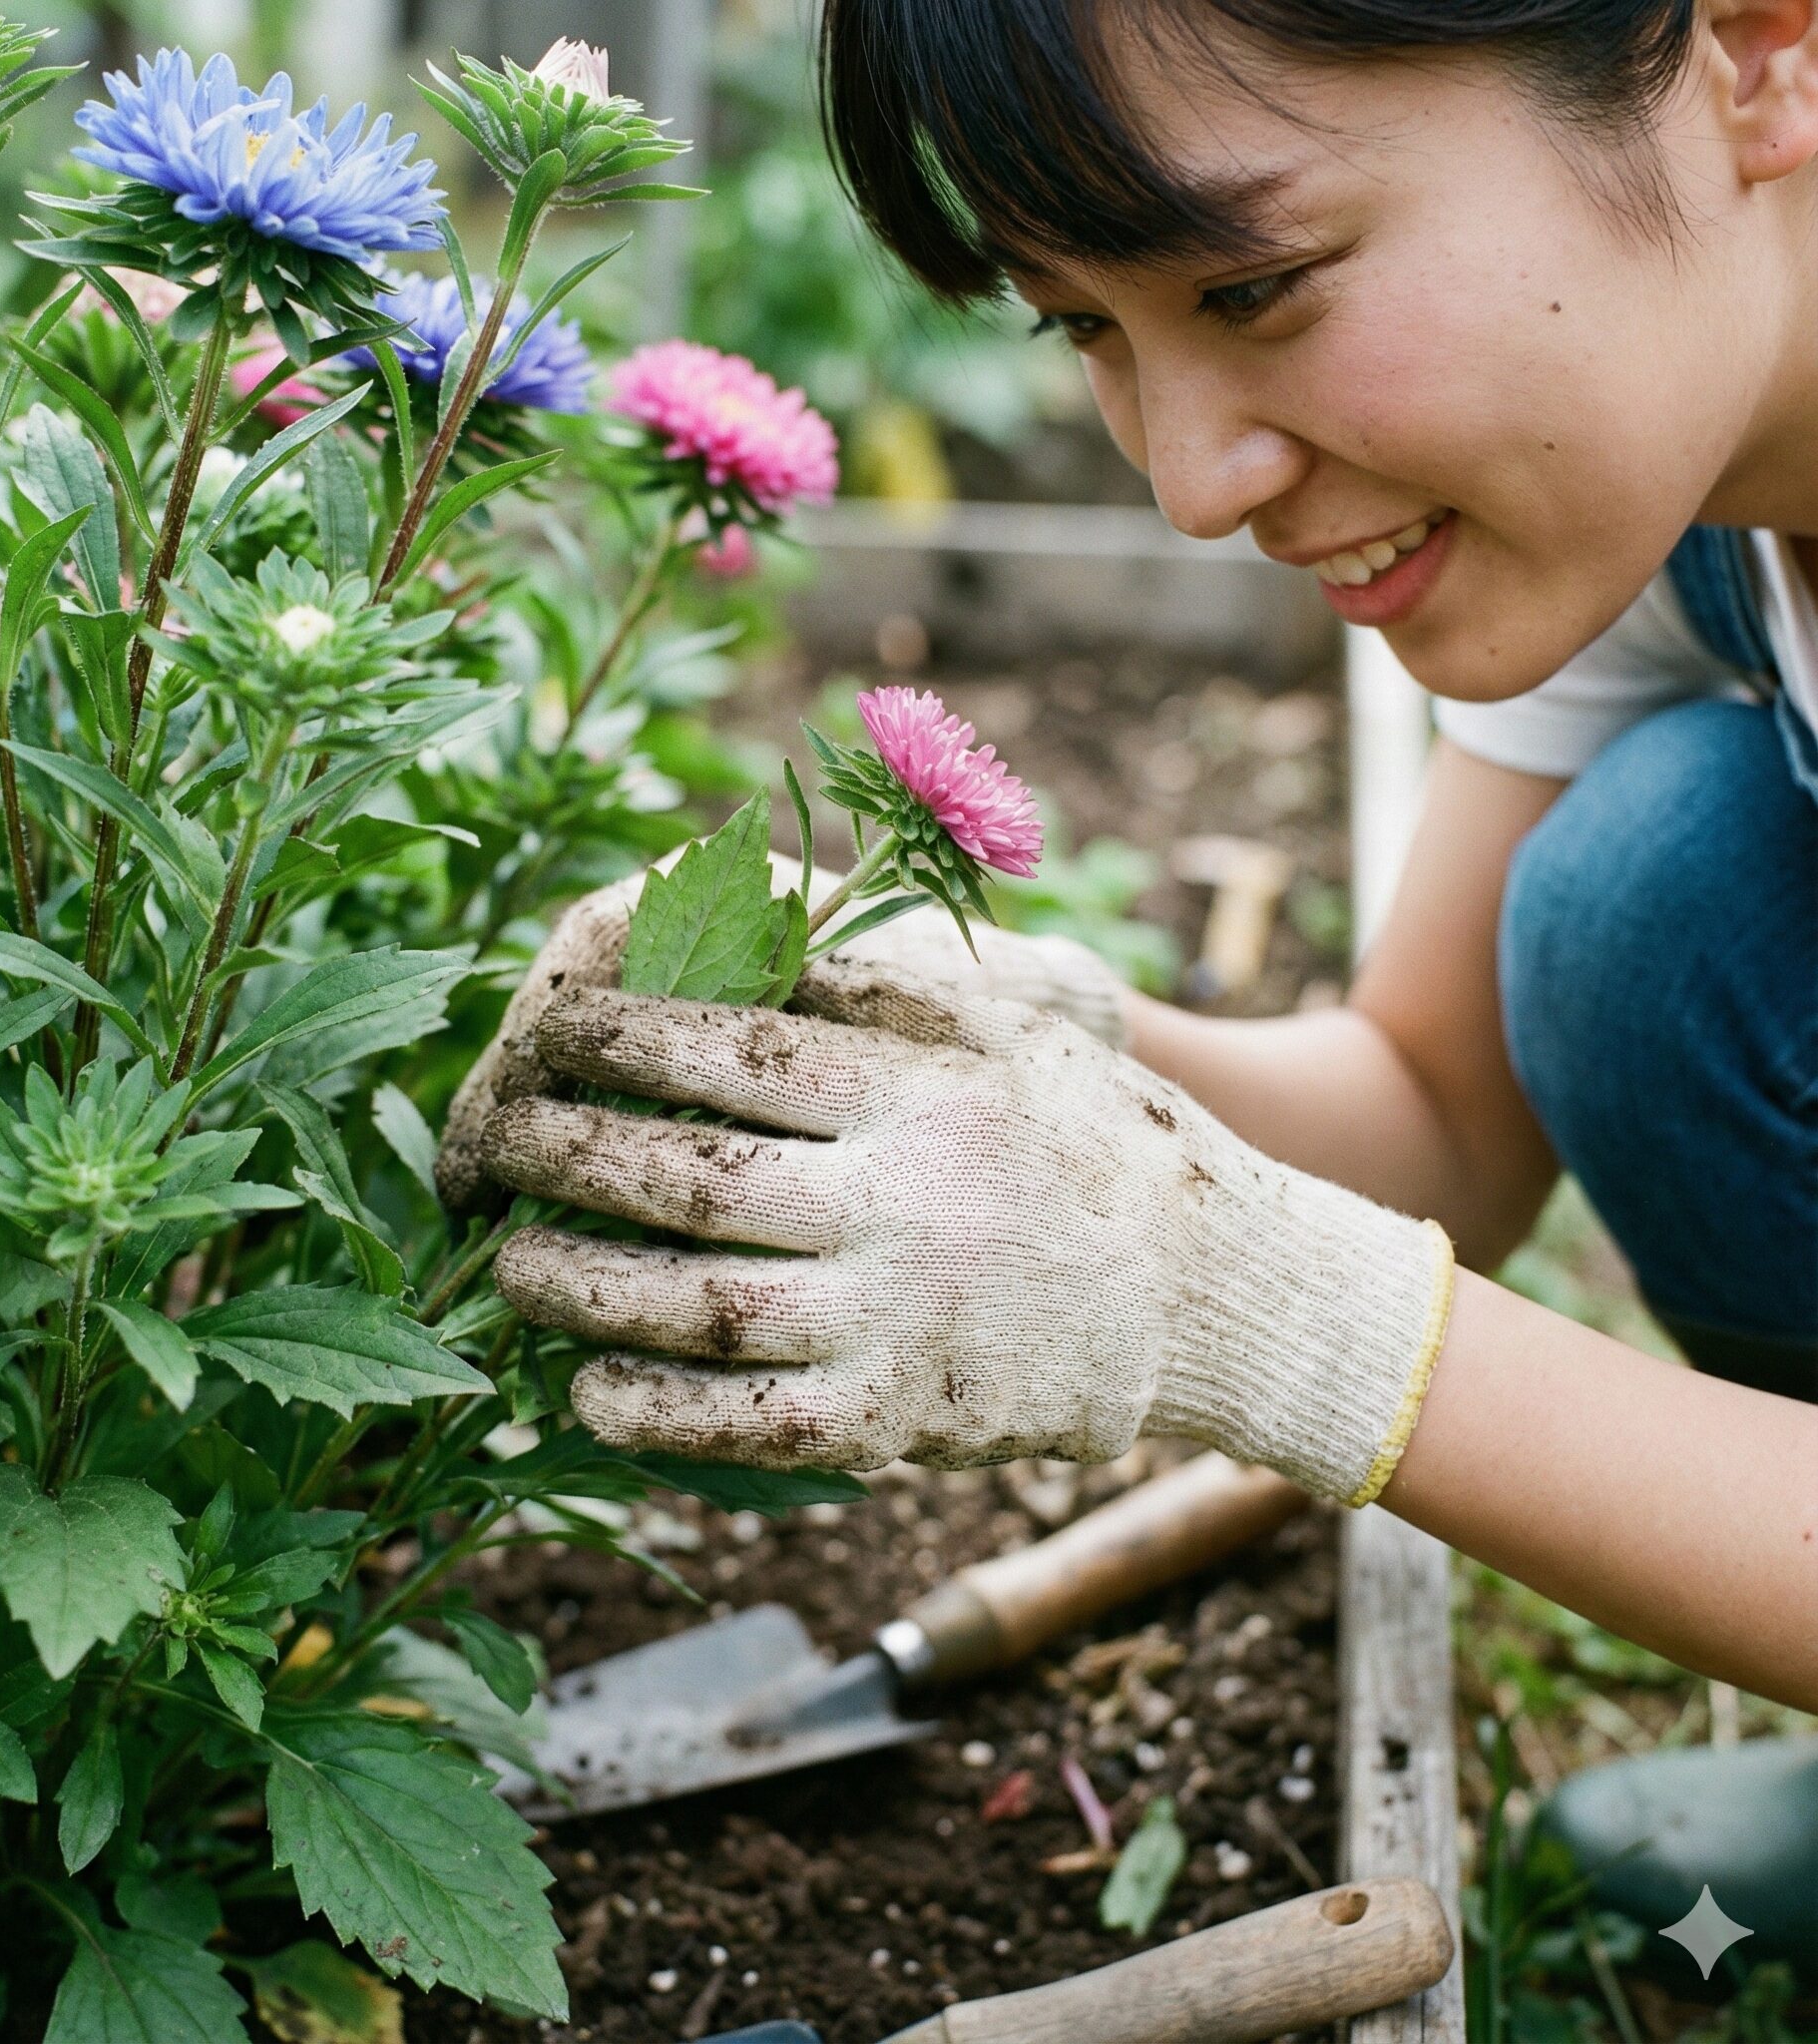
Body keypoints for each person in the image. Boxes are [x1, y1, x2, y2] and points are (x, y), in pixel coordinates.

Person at [440, 0, 1818, 1957]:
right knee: (1636, 911)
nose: (1189, 481)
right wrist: (998, 1041)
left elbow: (1348, 1274)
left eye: (1253, 283)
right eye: (1085, 324)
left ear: (1756, 53)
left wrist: (1270, 1316)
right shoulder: (1681, 450)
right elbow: (1432, 1121)